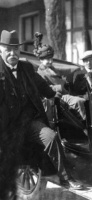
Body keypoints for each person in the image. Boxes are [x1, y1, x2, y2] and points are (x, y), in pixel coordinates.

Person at [0, 30, 83, 190]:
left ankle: (66, 178)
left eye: (15, 49)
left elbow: (45, 88)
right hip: (7, 127)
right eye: (8, 50)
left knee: (51, 137)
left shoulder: (26, 67)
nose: (12, 53)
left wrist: (63, 89)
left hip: (29, 123)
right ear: (0, 50)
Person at [34, 43, 87, 121]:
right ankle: (84, 126)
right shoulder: (40, 73)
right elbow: (44, 89)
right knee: (79, 101)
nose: (50, 61)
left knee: (86, 99)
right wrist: (60, 87)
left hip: (64, 94)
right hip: (56, 97)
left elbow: (64, 74)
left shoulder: (53, 69)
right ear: (41, 60)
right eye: (47, 59)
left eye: (51, 58)